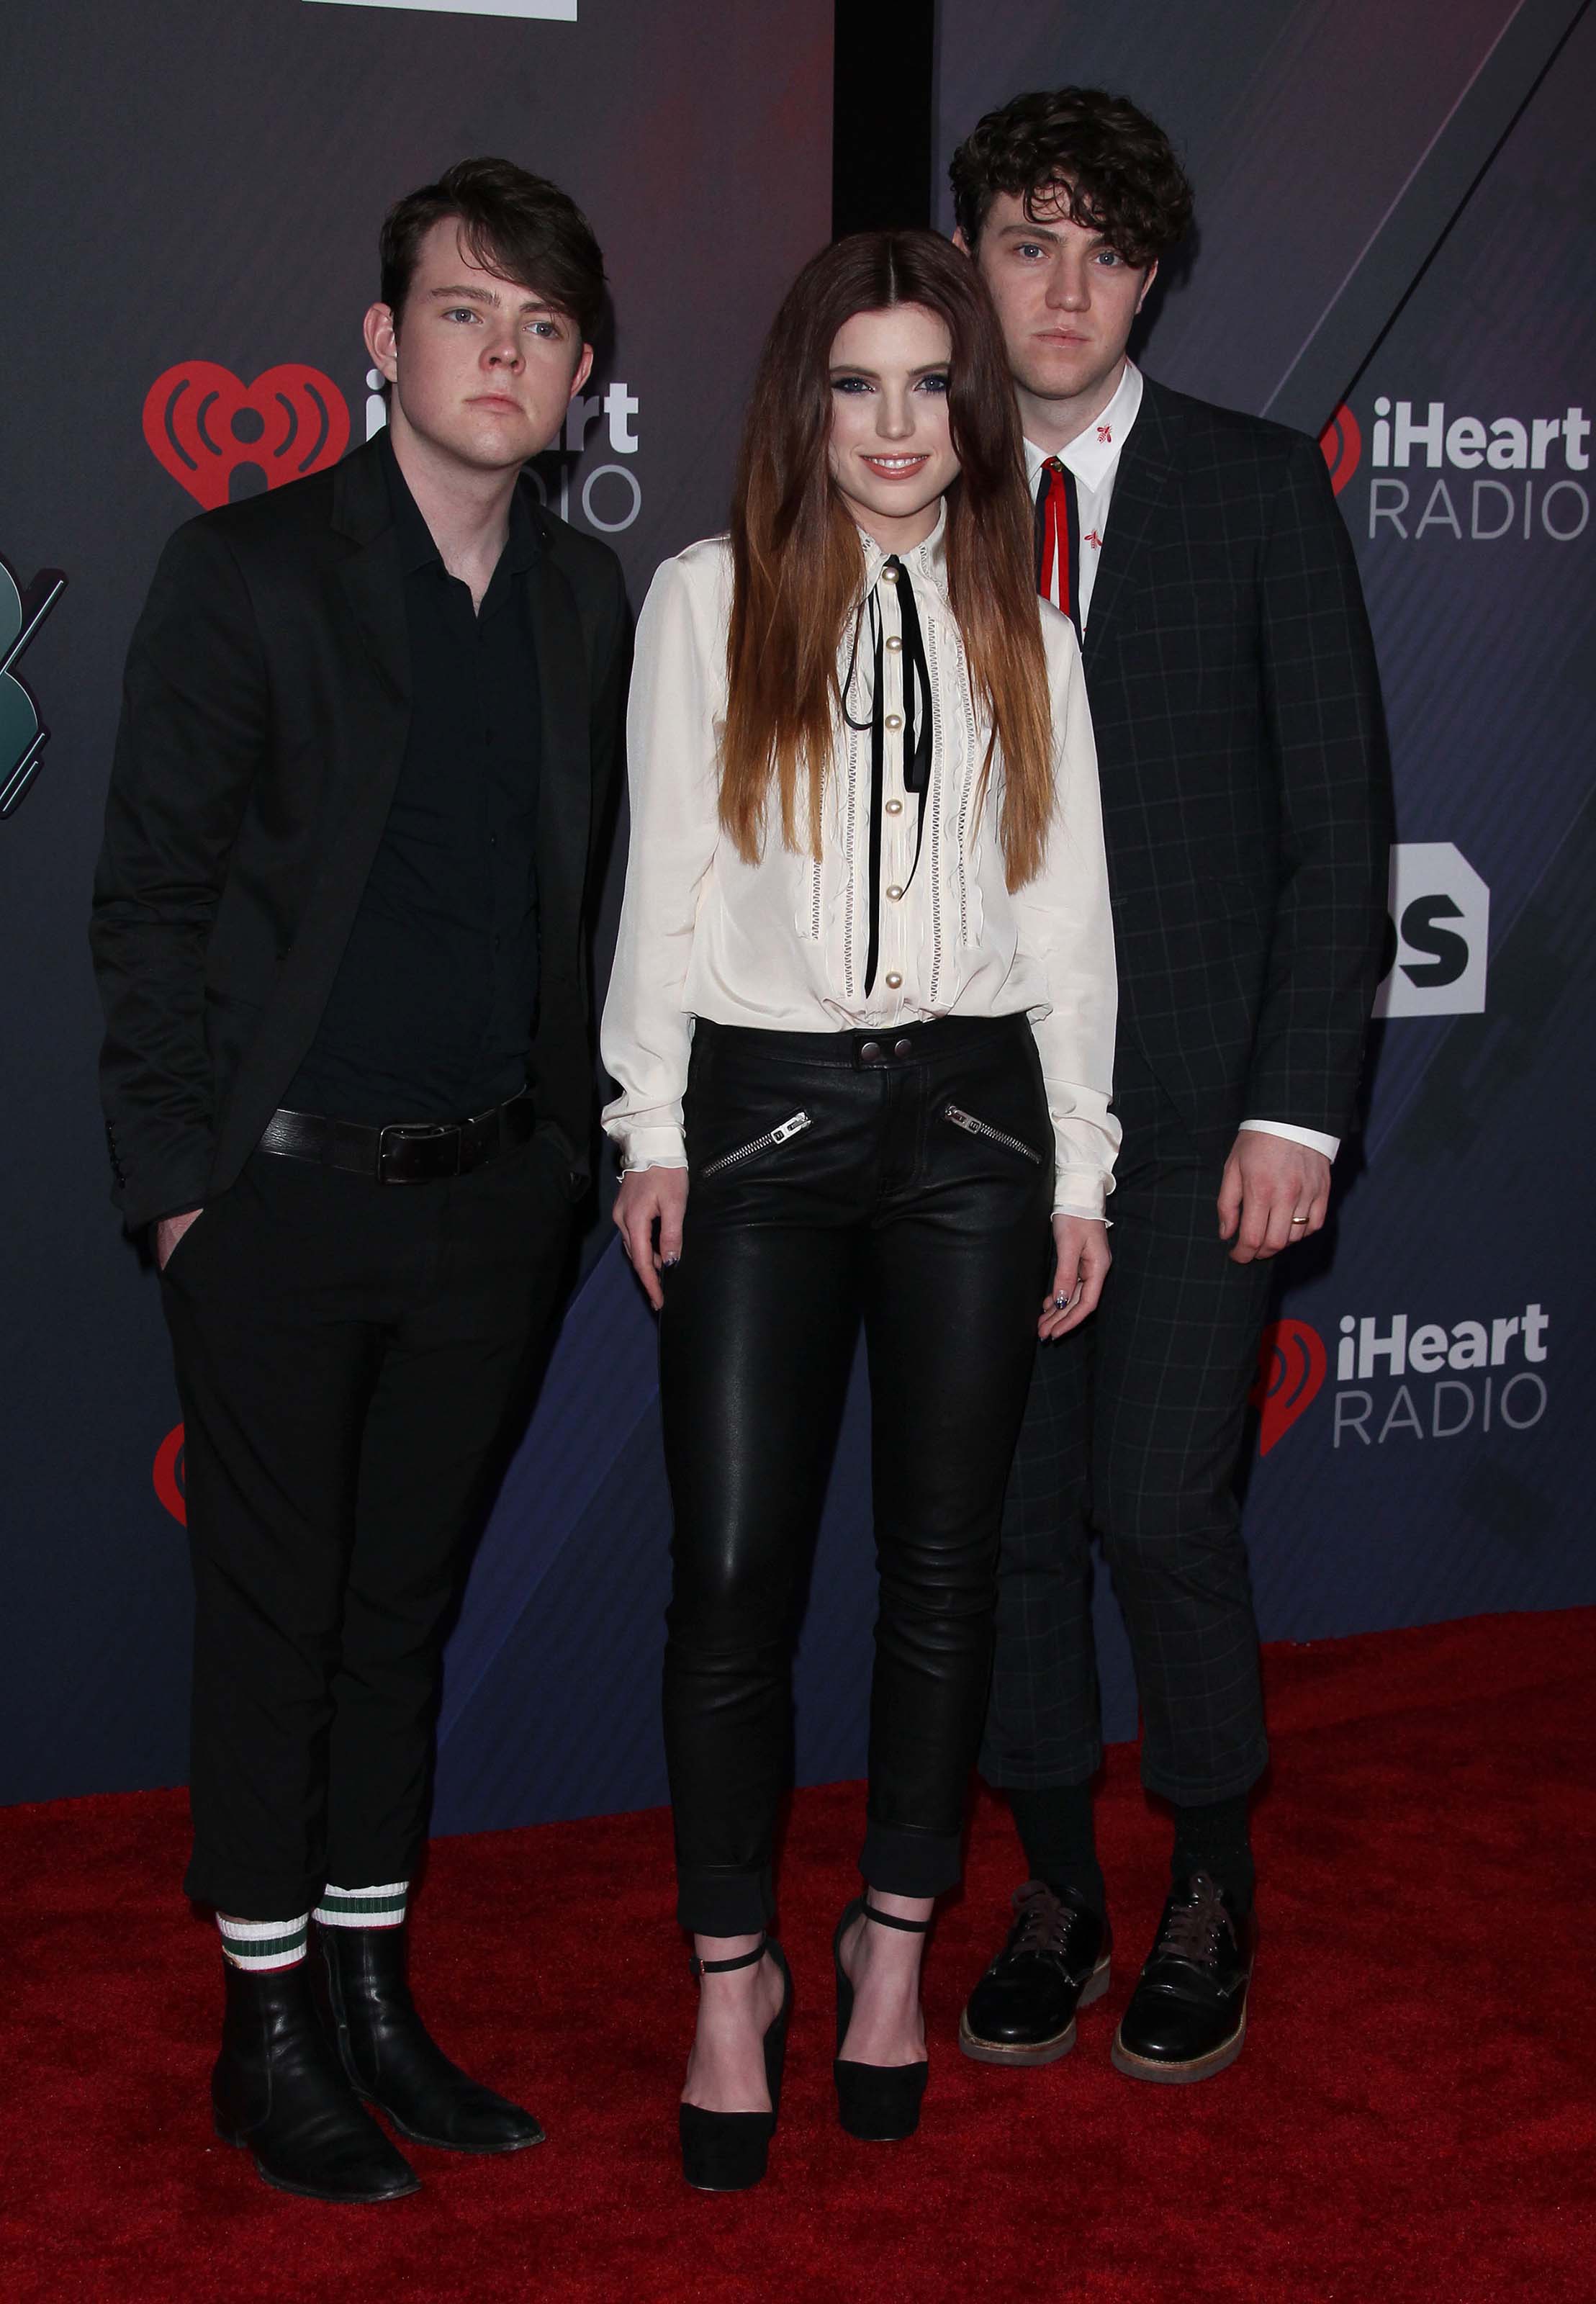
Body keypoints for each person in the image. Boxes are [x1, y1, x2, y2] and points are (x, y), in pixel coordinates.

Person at [90, 158, 628, 2202]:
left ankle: (375, 1988)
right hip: (281, 1206)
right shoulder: (246, 573)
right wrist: (178, 1188)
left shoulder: (587, 602)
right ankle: (265, 2030)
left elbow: (603, 907)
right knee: (275, 1625)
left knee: (400, 1616)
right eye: (467, 315)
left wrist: (570, 1160)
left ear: (581, 374)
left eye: (545, 327)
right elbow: (146, 905)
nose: (506, 355)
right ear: (382, 343)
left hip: (494, 1205)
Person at [602, 228, 1119, 2191]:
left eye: (926, 385)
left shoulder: (1029, 630)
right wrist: (647, 1126)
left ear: (966, 410)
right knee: (732, 1577)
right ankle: (731, 1976)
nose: (892, 426)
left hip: (976, 1133)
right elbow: (658, 876)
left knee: (947, 1572)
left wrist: (1076, 1160)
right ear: (800, 406)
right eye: (854, 385)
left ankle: (887, 1945)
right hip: (761, 1126)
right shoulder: (703, 603)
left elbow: (1067, 918)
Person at [947, 88, 1393, 2083]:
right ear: (973, 255)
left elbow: (1336, 825)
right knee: (1011, 1524)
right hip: (967, 1126)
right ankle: (1056, 1883)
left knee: (1154, 1508)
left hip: (1199, 1124)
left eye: (1102, 250)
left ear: (1149, 276)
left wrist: (1297, 1112)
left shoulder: (1248, 486)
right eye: (1029, 240)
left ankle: (1209, 1875)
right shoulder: (905, 486)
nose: (1063, 285)